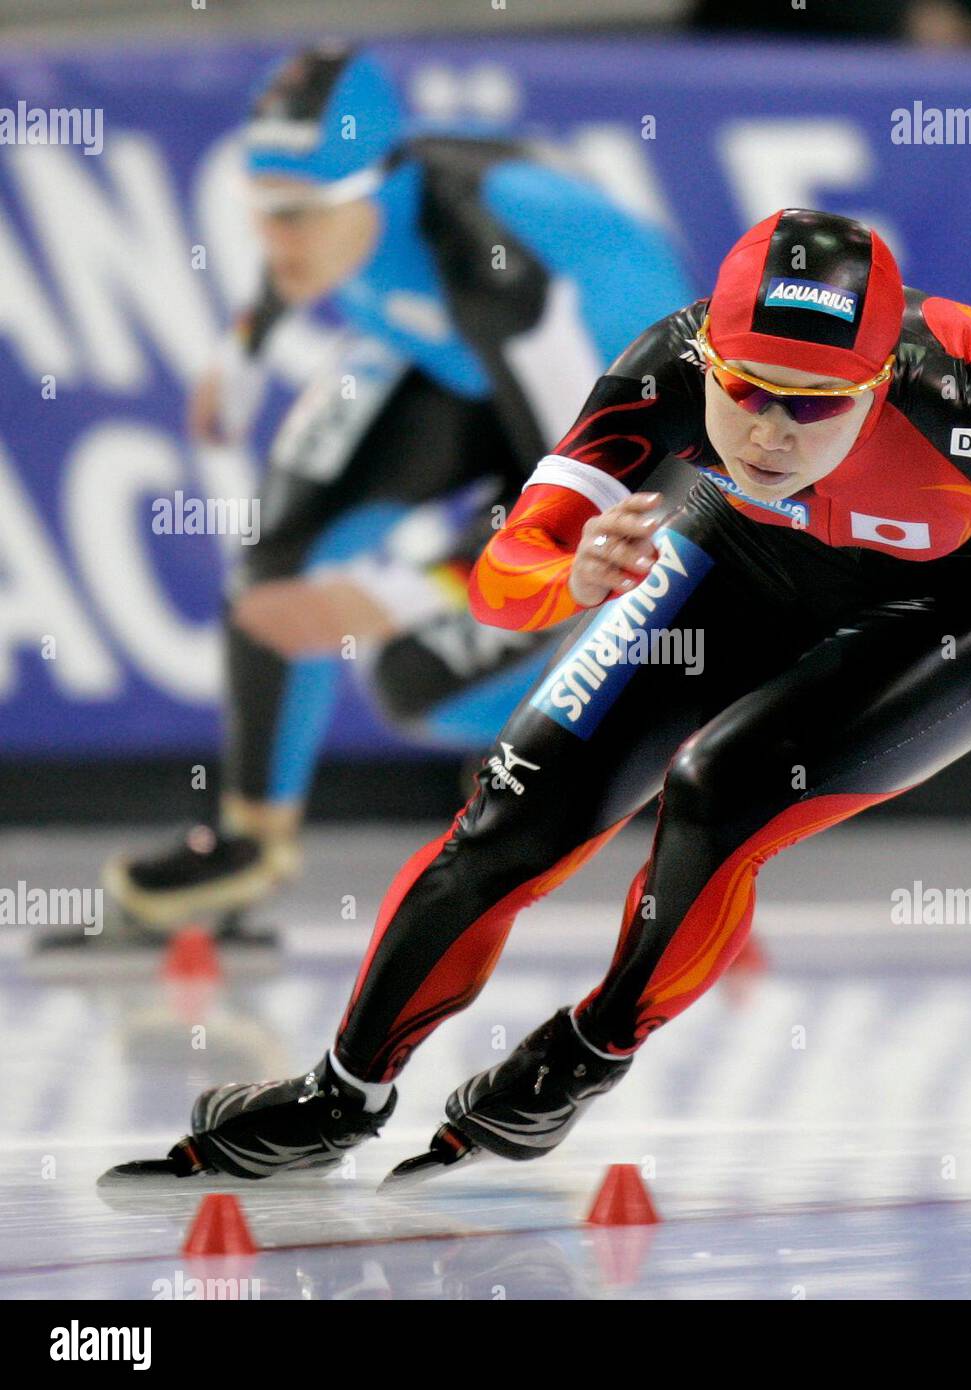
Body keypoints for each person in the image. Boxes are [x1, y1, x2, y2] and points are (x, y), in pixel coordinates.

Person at [104, 208, 971, 1184]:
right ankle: (342, 1090)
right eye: (746, 391)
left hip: (961, 606)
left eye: (815, 402)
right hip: (740, 554)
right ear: (710, 356)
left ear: (882, 380)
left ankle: (584, 1052)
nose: (770, 430)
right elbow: (507, 581)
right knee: (513, 812)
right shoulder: (667, 369)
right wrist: (566, 570)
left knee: (718, 790)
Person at [72, 44, 692, 951]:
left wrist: (395, 596)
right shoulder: (345, 210)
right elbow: (289, 262)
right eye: (261, 213)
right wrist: (239, 360)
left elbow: (576, 508)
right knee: (280, 549)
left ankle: (619, 725)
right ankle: (250, 842)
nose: (275, 241)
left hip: (619, 450)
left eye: (299, 217)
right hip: (454, 367)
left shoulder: (497, 267)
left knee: (413, 681)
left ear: (379, 186)